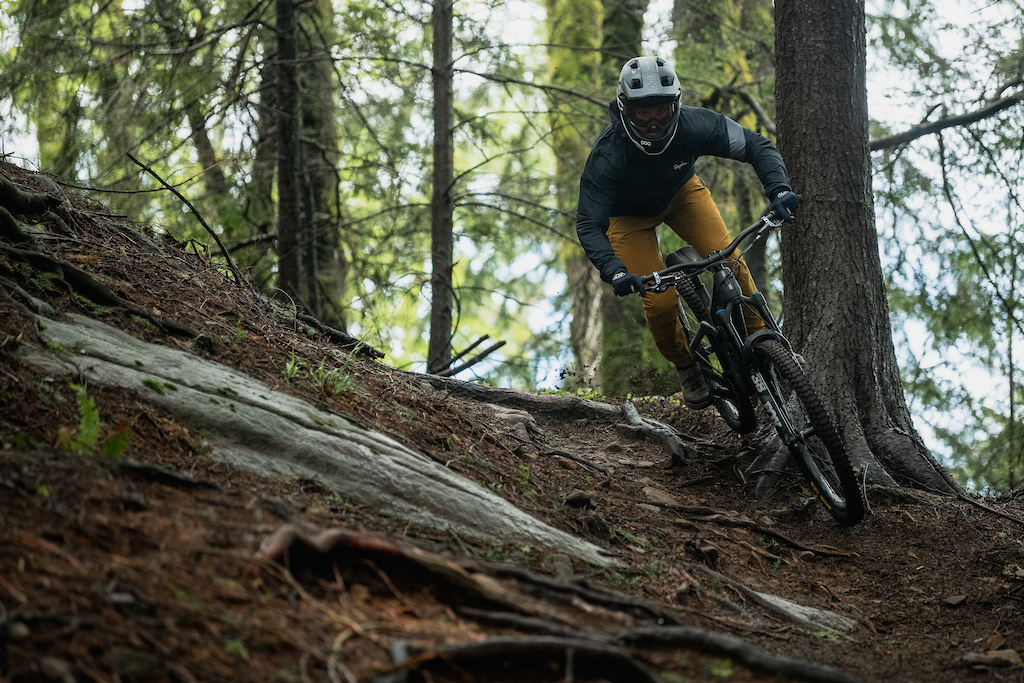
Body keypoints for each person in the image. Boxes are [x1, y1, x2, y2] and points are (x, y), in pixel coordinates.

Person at [575, 55, 801, 409]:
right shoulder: (609, 154)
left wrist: (779, 190)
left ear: (676, 104)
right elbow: (589, 223)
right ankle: (686, 364)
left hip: (681, 195)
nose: (652, 120)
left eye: (661, 110)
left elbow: (756, 146)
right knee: (661, 301)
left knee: (732, 261)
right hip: (626, 219)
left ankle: (765, 341)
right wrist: (614, 269)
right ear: (624, 109)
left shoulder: (695, 124)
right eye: (641, 112)